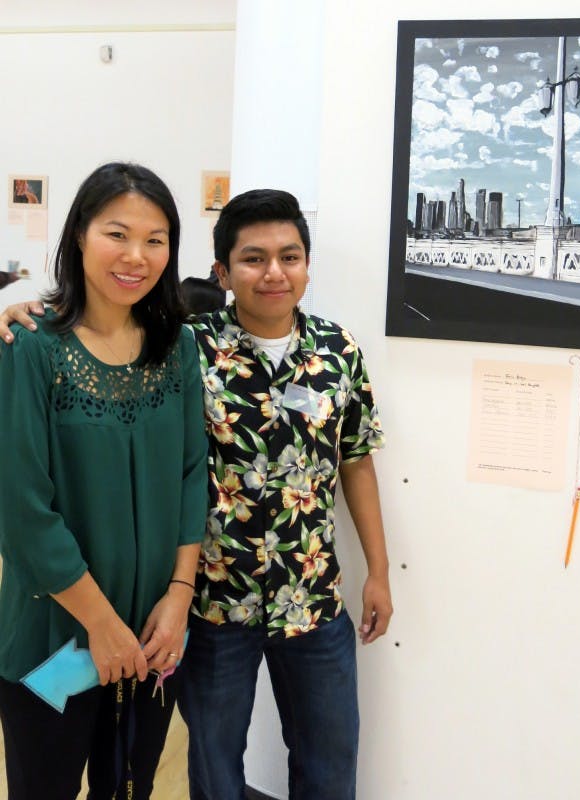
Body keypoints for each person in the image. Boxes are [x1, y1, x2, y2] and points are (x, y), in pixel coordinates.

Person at [0, 188, 392, 800]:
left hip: (302, 600)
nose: (273, 273)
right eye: (253, 258)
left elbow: (355, 460)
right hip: (212, 607)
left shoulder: (334, 352)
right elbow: (99, 322)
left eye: (290, 257)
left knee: (326, 766)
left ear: (308, 266)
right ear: (222, 272)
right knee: (208, 774)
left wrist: (379, 570)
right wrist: (24, 308)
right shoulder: (189, 344)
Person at [0, 162, 208, 800]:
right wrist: (101, 625)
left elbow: (191, 474)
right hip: (56, 637)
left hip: (154, 636)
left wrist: (177, 599)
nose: (136, 256)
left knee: (131, 786)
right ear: (80, 236)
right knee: (47, 786)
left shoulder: (179, 347)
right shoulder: (32, 345)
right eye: (117, 234)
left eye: (155, 239)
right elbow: (23, 508)